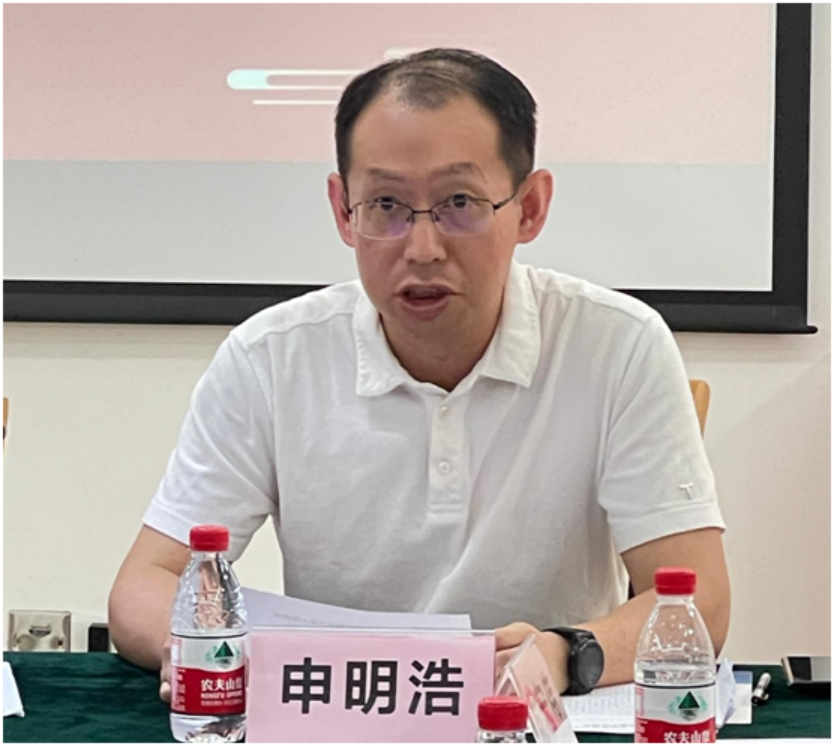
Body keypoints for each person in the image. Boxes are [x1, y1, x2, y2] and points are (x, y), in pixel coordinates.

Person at [109, 48, 730, 701]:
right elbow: (145, 585)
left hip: (534, 719)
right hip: (341, 715)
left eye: (459, 202)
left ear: (530, 207)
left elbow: (698, 601)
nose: (423, 248)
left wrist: (567, 652)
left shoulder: (616, 344)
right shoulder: (270, 358)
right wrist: (218, 652)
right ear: (343, 211)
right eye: (386, 204)